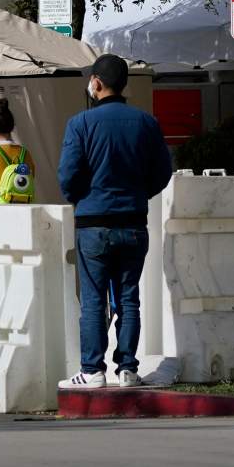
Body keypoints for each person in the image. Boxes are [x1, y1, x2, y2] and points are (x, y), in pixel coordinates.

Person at [56, 54, 172, 389]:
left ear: (96, 82)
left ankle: (92, 370)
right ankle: (128, 369)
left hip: (93, 223)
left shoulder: (80, 124)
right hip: (134, 221)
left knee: (93, 299)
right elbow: (162, 173)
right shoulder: (146, 123)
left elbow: (68, 176)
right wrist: (138, 192)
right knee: (128, 297)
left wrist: (82, 197)